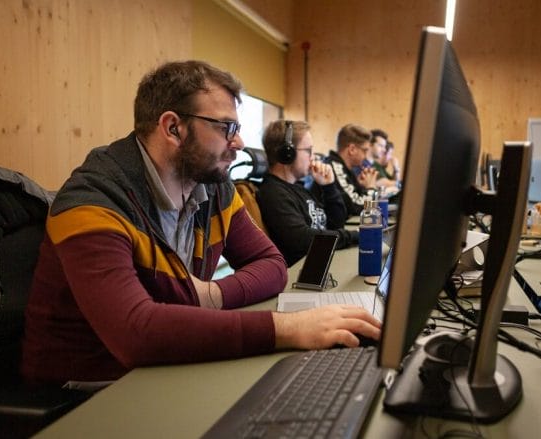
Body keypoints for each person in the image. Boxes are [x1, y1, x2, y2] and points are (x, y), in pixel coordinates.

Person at [21, 60, 380, 386]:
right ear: (173, 128)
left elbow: (272, 265)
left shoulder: (213, 186)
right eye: (227, 127)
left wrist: (210, 294)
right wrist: (287, 328)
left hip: (166, 368)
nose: (239, 142)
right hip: (85, 393)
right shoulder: (93, 200)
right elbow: (135, 333)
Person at [257, 120, 358, 266]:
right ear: (288, 153)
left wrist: (328, 186)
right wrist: (354, 236)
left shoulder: (299, 188)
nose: (313, 157)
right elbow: (303, 239)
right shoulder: (273, 193)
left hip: (323, 263)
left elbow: (337, 225)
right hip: (303, 273)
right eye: (308, 150)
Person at [313, 124, 378, 216]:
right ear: (352, 149)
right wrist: (371, 188)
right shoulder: (335, 168)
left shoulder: (346, 169)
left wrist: (362, 187)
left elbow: (355, 201)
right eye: (364, 150)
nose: (366, 156)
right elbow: (359, 208)